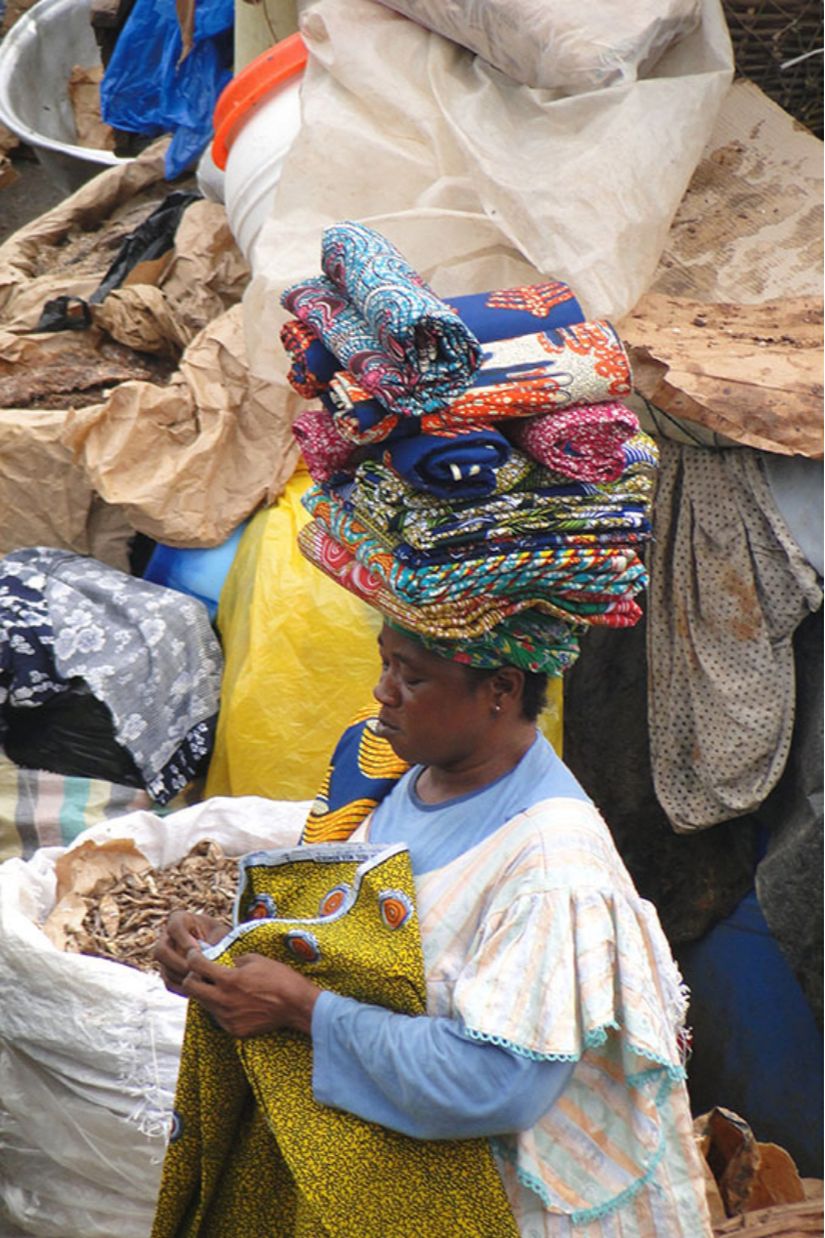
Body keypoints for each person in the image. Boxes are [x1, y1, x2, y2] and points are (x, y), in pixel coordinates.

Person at [154, 621, 713, 1237]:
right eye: (385, 664)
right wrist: (229, 951)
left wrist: (302, 1010)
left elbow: (496, 1084)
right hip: (369, 1185)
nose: (382, 692)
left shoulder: (554, 867)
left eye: (412, 677)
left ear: (501, 688)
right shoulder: (376, 768)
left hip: (494, 1209)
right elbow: (331, 938)